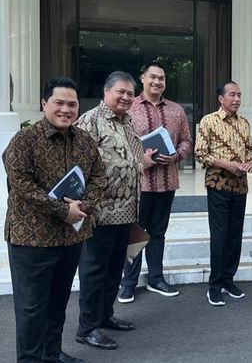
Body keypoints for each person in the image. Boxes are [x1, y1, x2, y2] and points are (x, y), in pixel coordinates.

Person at [3, 77, 106, 363]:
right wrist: (63, 211)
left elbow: (99, 175)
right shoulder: (24, 140)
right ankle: (30, 359)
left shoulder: (84, 141)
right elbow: (22, 185)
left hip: (71, 237)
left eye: (71, 104)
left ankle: (52, 352)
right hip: (31, 240)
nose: (66, 109)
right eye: (59, 103)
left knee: (58, 302)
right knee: (31, 308)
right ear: (44, 103)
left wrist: (84, 205)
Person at [74, 71, 143, 350]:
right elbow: (77, 166)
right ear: (106, 92)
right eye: (121, 92)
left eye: (130, 93)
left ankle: (105, 315)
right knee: (94, 271)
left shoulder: (129, 121)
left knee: (114, 269)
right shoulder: (90, 121)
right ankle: (87, 327)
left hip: (126, 211)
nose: (126, 97)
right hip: (99, 213)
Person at [118, 61, 192, 303]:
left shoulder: (176, 110)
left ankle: (156, 278)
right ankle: (128, 282)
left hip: (166, 182)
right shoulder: (128, 108)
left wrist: (177, 155)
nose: (157, 82)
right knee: (135, 233)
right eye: (153, 77)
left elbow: (187, 141)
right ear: (143, 78)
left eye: (161, 78)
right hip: (138, 183)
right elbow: (120, 144)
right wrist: (142, 158)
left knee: (158, 233)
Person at [194, 81, 252, 306]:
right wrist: (226, 164)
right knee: (219, 237)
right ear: (221, 98)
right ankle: (214, 286)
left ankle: (229, 280)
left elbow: (251, 152)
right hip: (218, 184)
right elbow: (200, 153)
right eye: (232, 95)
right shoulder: (209, 121)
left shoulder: (245, 123)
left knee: (235, 236)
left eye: (239, 95)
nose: (237, 99)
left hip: (240, 186)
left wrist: (249, 163)